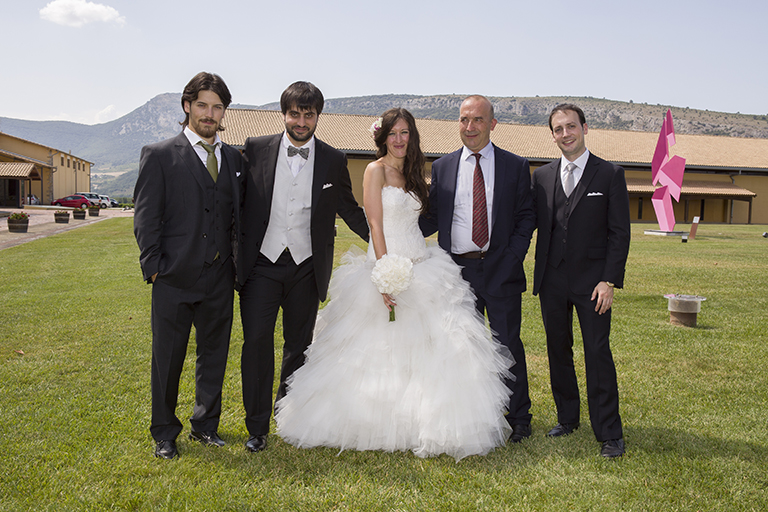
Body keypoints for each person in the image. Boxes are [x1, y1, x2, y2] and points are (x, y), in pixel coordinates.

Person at [275, 108, 513, 461]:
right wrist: (385, 272)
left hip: (422, 264)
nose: (399, 140)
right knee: (378, 349)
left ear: (411, 136)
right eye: (393, 133)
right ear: (383, 137)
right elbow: (375, 223)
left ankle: (424, 420)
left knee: (437, 346)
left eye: (405, 133)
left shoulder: (415, 173)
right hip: (387, 264)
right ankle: (370, 420)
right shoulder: (375, 170)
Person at [237, 81, 369, 453]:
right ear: (284, 114)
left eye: (308, 115)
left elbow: (349, 209)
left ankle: (288, 414)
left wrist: (385, 240)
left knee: (298, 346)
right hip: (261, 265)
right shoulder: (255, 149)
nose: (300, 122)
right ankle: (257, 426)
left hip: (306, 268)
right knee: (257, 342)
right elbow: (236, 203)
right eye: (294, 114)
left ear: (317, 117)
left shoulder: (333, 159)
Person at [133, 72, 243, 459]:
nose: (209, 114)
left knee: (214, 356)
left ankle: (205, 425)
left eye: (217, 107)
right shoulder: (160, 154)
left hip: (219, 276)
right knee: (168, 359)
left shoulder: (234, 159)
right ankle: (164, 432)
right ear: (187, 106)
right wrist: (154, 267)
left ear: (224, 111)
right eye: (202, 105)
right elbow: (146, 217)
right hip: (174, 277)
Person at [420, 95, 536, 443]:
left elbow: (526, 217)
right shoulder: (443, 167)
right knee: (461, 347)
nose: (469, 127)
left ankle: (519, 417)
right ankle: (472, 417)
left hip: (501, 268)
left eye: (478, 120)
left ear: (492, 124)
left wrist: (512, 256)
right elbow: (432, 217)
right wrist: (394, 229)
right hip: (457, 273)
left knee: (506, 344)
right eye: (463, 119)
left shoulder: (515, 166)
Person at [531, 103, 630, 458]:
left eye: (571, 126)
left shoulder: (610, 174)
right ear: (552, 135)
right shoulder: (542, 177)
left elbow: (619, 233)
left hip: (593, 284)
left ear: (584, 128)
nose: (566, 134)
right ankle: (567, 418)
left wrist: (609, 281)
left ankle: (609, 432)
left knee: (597, 352)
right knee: (558, 349)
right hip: (552, 279)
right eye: (558, 129)